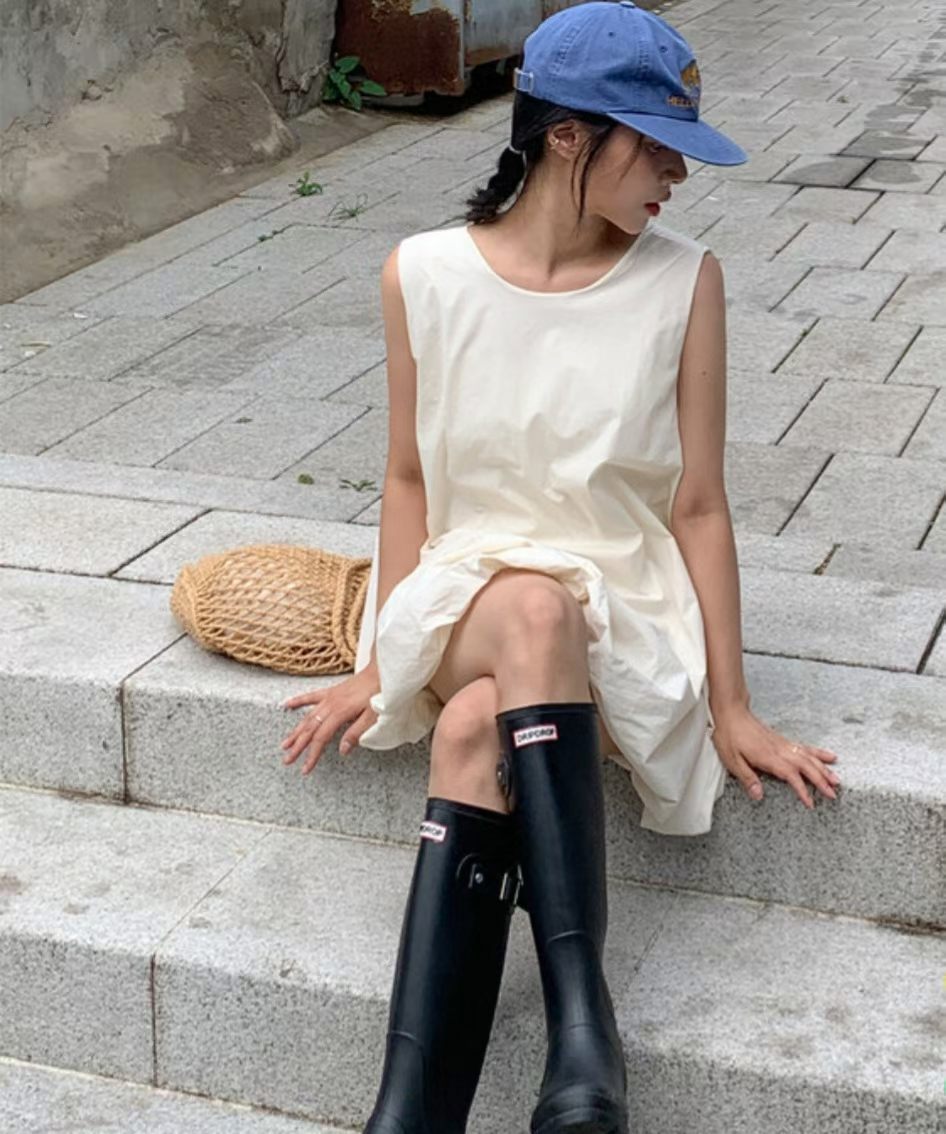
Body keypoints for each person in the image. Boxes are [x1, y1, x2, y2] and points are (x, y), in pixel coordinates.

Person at [279, 3, 843, 1131]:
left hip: (619, 609)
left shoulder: (684, 282)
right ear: (569, 136)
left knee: (469, 729)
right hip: (465, 598)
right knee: (529, 612)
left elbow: (697, 504)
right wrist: (379, 661)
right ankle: (584, 1028)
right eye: (656, 142)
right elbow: (407, 479)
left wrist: (732, 705)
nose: (678, 171)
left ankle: (409, 1113)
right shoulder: (420, 274)